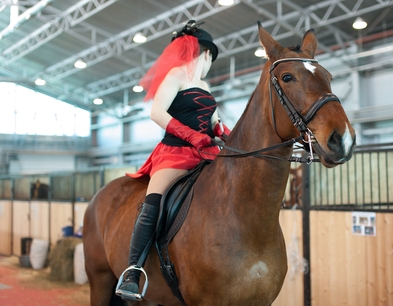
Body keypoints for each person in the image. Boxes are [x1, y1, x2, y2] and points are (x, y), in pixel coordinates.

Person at [116, 20, 231, 300]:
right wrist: (191, 136)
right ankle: (133, 271)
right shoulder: (176, 75)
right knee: (153, 204)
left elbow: (215, 123)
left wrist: (227, 134)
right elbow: (157, 112)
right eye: (210, 59)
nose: (209, 64)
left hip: (207, 154)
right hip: (175, 153)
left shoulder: (203, 85)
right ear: (206, 54)